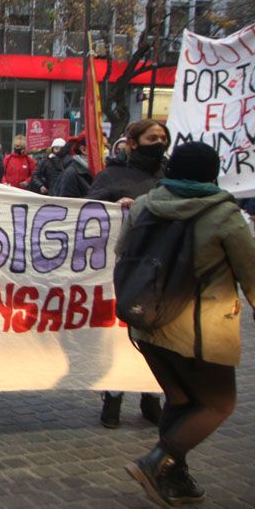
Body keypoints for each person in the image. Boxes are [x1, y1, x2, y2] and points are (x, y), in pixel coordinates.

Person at [119, 141, 255, 509]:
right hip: (199, 329)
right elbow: (253, 272)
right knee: (218, 403)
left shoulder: (144, 204)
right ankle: (157, 460)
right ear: (212, 173)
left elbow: (122, 252)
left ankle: (175, 478)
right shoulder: (224, 215)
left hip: (147, 323)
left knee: (180, 400)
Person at [87, 119, 171, 429]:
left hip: (161, 270)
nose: (159, 142)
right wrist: (112, 204)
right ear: (133, 143)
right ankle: (113, 398)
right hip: (119, 269)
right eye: (153, 137)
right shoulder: (111, 176)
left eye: (163, 137)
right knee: (118, 337)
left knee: (156, 337)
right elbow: (85, 211)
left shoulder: (171, 178)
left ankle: (152, 397)